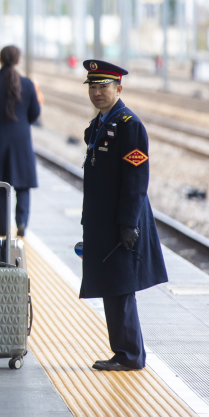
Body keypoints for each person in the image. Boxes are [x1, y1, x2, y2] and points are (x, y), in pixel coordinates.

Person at [79, 60, 168, 371]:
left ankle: (130, 355)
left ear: (119, 88)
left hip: (122, 222)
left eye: (104, 86)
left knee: (120, 287)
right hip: (103, 220)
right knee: (111, 285)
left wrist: (129, 224)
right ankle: (123, 351)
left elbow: (136, 180)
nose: (97, 91)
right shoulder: (99, 125)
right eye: (92, 85)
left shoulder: (130, 126)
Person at [0, 45, 42, 237]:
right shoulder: (28, 83)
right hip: (22, 140)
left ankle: (3, 229)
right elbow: (35, 113)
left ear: (0, 60)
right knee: (22, 185)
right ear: (18, 61)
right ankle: (22, 222)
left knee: (0, 186)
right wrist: (22, 124)